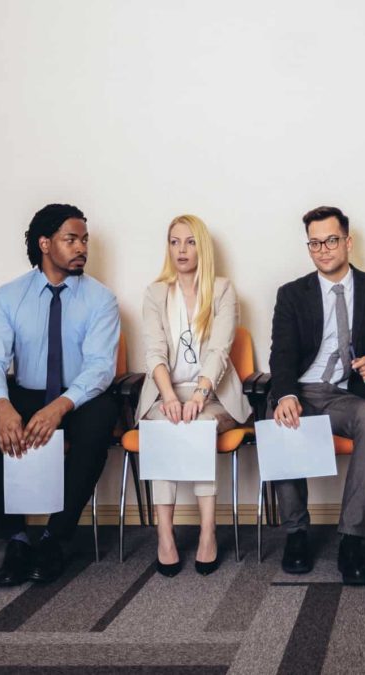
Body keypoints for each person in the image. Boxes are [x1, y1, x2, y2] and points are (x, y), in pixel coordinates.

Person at [0, 203, 120, 587]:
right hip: (24, 392)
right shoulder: (7, 297)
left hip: (75, 396)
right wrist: (1, 407)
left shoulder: (101, 300)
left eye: (84, 239)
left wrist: (60, 407)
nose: (81, 247)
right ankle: (14, 538)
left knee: (101, 419)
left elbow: (100, 368)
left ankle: (54, 537)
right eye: (71, 239)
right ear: (45, 244)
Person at [268, 206, 365, 585]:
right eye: (315, 243)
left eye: (331, 240)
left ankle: (352, 539)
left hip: (344, 393)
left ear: (348, 242)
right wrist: (285, 394)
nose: (323, 249)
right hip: (303, 391)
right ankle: (296, 534)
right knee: (282, 421)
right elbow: (282, 353)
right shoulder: (291, 294)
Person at [135, 215, 252, 577]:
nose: (181, 250)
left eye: (189, 242)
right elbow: (154, 352)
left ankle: (207, 531)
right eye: (174, 242)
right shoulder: (155, 293)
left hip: (214, 396)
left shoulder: (221, 289)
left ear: (202, 247)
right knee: (167, 428)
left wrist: (198, 396)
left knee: (197, 425)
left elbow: (219, 349)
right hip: (165, 394)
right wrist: (170, 398)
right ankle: (165, 534)